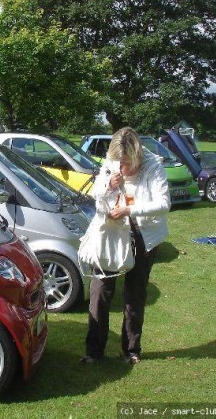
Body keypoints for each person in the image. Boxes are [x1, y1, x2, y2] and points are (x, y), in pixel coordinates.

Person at [81, 127, 171, 365]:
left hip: (143, 235)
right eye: (118, 162)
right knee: (100, 290)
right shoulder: (112, 162)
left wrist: (130, 210)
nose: (122, 168)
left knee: (135, 292)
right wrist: (108, 185)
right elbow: (96, 193)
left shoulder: (153, 166)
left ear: (137, 155)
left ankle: (131, 349)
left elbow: (164, 203)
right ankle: (94, 352)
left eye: (126, 163)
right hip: (111, 232)